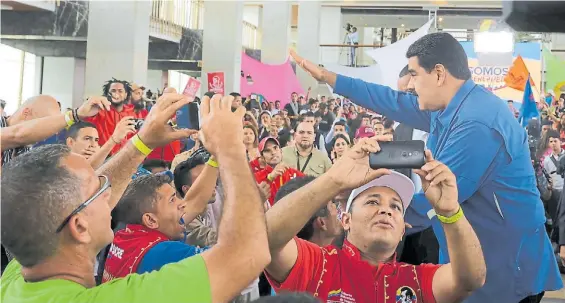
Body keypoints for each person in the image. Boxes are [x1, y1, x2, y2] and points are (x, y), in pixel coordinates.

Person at [290, 32, 562, 302]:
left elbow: (435, 201)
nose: (410, 84)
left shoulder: (478, 124)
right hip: (472, 253)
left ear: (439, 74)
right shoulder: (451, 106)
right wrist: (329, 78)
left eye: (414, 74)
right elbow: (391, 101)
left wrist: (355, 219)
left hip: (502, 267)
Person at [1, 91, 271, 303]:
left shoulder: (17, 276)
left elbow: (72, 201)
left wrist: (142, 142)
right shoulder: (123, 298)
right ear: (79, 227)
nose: (108, 191)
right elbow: (247, 255)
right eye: (98, 189)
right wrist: (231, 148)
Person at [264, 138, 486, 302]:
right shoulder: (317, 265)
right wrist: (333, 180)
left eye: (396, 207)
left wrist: (450, 211)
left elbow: (471, 279)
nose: (386, 211)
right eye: (372, 202)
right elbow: (266, 238)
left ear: (403, 231)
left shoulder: (417, 280)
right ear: (346, 220)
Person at [102, 173, 210, 282]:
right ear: (151, 220)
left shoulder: (124, 236)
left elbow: (196, 204)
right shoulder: (163, 252)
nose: (182, 203)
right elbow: (222, 260)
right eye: (172, 200)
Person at [275, 176, 343, 247]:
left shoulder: (283, 254)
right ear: (322, 222)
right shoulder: (336, 255)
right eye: (332, 203)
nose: (336, 207)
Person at [65, 119, 136, 169]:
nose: (93, 145)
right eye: (87, 139)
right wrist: (114, 139)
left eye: (96, 140)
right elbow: (84, 170)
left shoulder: (102, 163)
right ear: (70, 142)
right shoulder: (60, 163)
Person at [255, 137, 304, 206]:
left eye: (275, 148)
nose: (273, 152)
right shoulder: (257, 177)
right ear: (262, 158)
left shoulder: (295, 174)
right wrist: (270, 178)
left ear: (281, 151)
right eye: (267, 150)